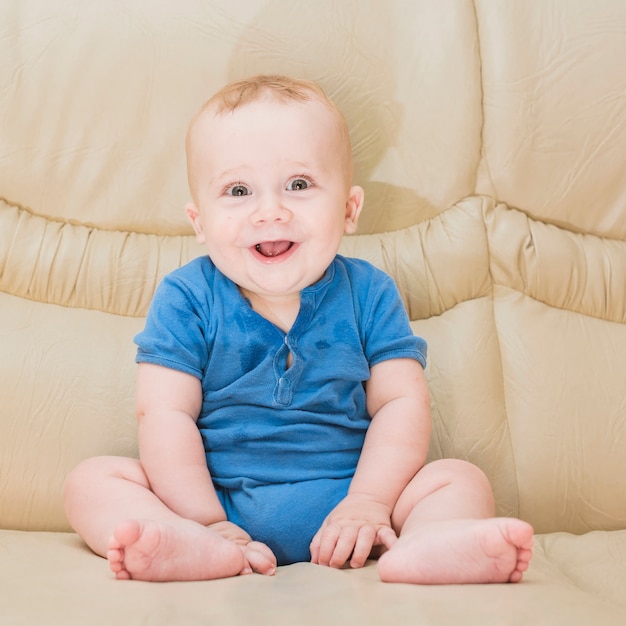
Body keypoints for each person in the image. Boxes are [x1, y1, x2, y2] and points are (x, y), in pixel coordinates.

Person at [63, 74, 534, 584]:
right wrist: (207, 520)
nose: (271, 211)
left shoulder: (370, 292)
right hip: (216, 501)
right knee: (91, 482)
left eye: (299, 184)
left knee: (458, 479)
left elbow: (402, 403)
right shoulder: (186, 297)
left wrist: (369, 502)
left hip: (351, 504)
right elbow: (163, 413)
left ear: (349, 209)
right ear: (200, 222)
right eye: (238, 190)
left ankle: (426, 547)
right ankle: (196, 547)